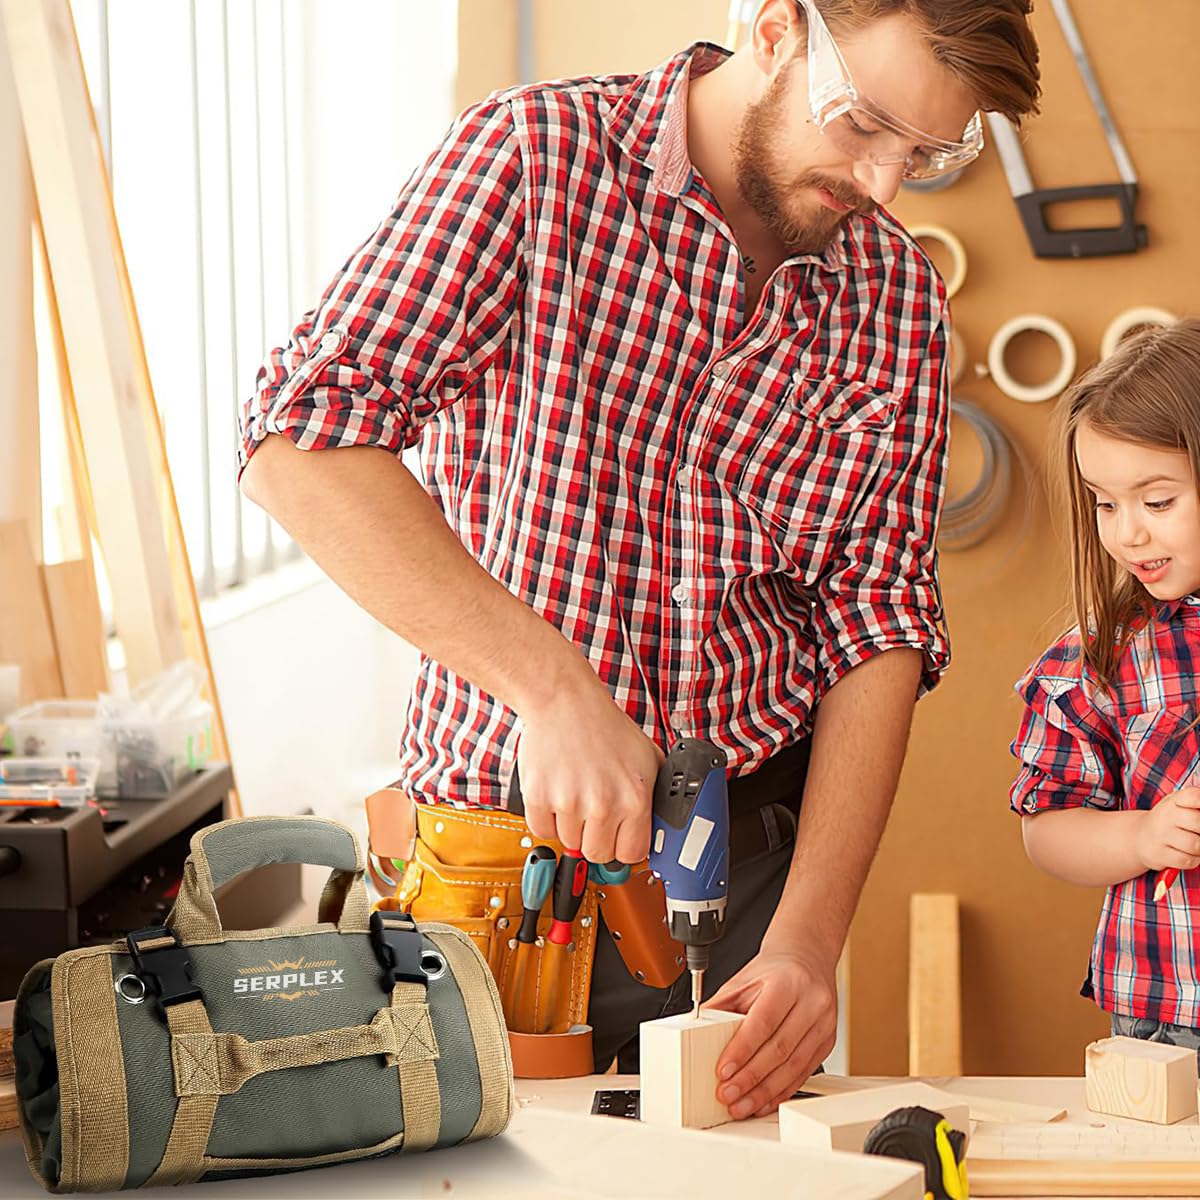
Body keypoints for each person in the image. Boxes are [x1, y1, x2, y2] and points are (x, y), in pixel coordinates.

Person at [241, 0, 1040, 1117]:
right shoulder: (536, 160)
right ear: (776, 30)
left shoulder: (895, 295)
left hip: (747, 872)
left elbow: (879, 620)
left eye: (926, 153)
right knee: (493, 1173)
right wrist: (552, 690)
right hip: (505, 868)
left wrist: (808, 938)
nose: (883, 184)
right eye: (863, 123)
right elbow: (299, 441)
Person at [1011, 319, 1200, 1061]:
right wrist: (1142, 836)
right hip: (1167, 1009)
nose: (1127, 535)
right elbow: (1046, 829)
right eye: (1105, 504)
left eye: (1157, 502)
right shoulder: (1101, 657)